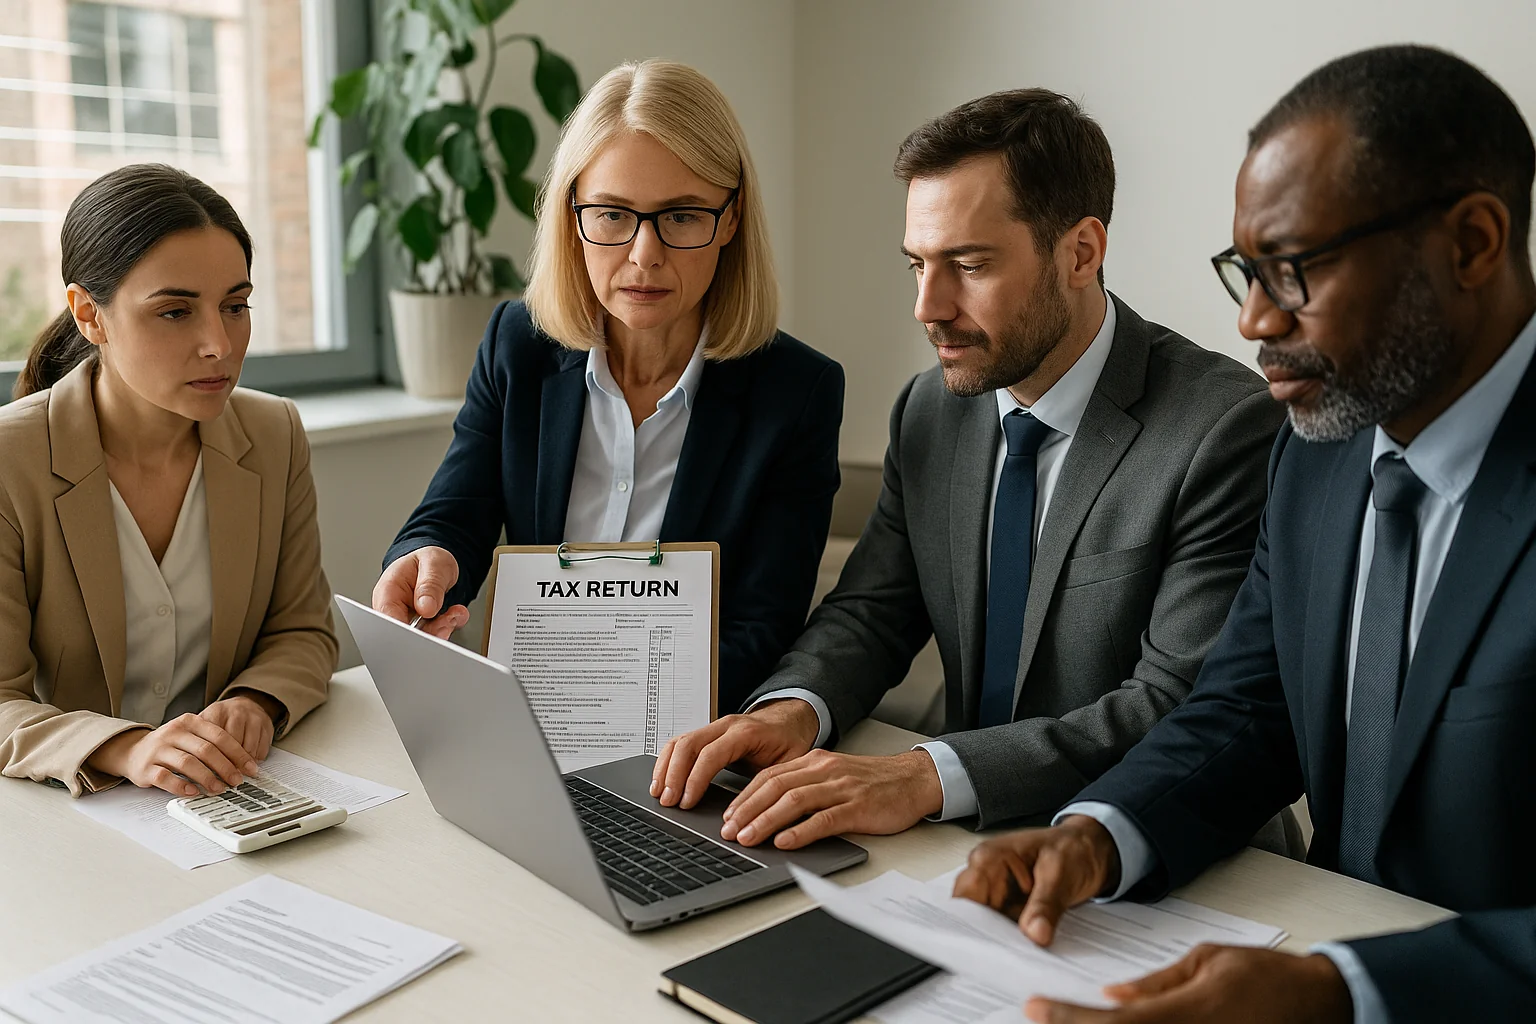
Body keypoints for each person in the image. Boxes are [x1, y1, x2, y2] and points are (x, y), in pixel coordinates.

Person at [954, 45, 1536, 1024]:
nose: (1255, 321)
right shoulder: (1318, 449)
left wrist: (1341, 992)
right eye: (1245, 271)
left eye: (1294, 269)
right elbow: (1249, 708)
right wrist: (1100, 835)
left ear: (1473, 242)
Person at [651, 89, 1286, 849]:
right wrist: (789, 710)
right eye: (918, 264)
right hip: (960, 840)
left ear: (1082, 252)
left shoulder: (1222, 429)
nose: (928, 305)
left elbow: (1172, 706)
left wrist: (922, 775)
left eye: (969, 264)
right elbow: (871, 613)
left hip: (1155, 850)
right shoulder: (931, 409)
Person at [374, 60, 844, 711]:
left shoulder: (797, 392)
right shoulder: (518, 346)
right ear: (573, 218)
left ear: (730, 220)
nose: (644, 254)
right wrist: (429, 558)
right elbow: (456, 512)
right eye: (613, 214)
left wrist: (597, 696)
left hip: (687, 737)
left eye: (681, 217)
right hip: (526, 727)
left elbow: (763, 631)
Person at [0, 164, 337, 799]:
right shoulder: (8, 461)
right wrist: (128, 748)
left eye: (236, 306)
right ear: (89, 316)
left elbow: (302, 630)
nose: (219, 343)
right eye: (176, 311)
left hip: (231, 794)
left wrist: (256, 702)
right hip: (65, 810)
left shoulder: (274, 434)